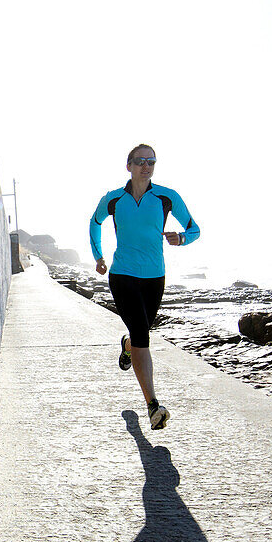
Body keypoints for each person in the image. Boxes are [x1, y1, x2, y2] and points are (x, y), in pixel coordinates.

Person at [89, 144, 200, 429]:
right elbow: (95, 221)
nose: (146, 166)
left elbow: (194, 228)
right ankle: (153, 405)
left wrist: (182, 238)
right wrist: (98, 256)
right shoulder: (114, 199)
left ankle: (126, 346)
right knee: (142, 335)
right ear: (129, 166)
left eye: (151, 161)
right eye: (140, 161)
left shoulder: (166, 197)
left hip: (154, 278)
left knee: (140, 334)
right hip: (122, 275)